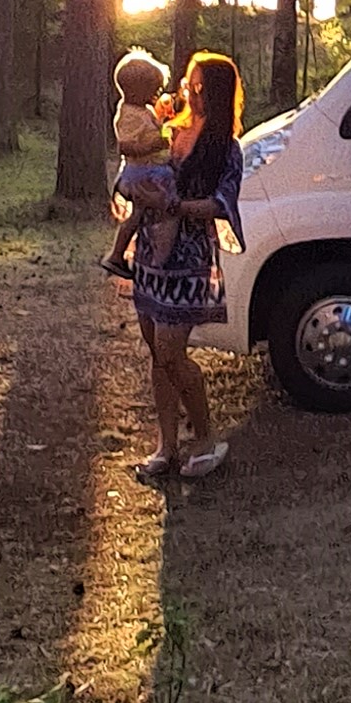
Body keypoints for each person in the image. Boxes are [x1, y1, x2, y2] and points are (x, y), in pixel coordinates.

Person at [112, 50, 244, 484]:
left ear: (218, 94)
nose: (190, 91)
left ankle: (205, 437)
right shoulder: (170, 129)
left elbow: (221, 203)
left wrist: (172, 204)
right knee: (157, 354)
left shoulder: (226, 147)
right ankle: (166, 446)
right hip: (149, 254)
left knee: (171, 351)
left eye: (199, 86)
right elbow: (133, 165)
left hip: (188, 259)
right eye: (189, 82)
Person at [102, 50, 171, 281]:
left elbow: (153, 131)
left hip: (145, 170)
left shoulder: (142, 110)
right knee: (161, 202)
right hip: (140, 172)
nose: (155, 95)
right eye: (152, 90)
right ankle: (122, 254)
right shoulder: (129, 114)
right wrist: (157, 144)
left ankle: (125, 254)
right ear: (137, 90)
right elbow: (127, 147)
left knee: (141, 213)